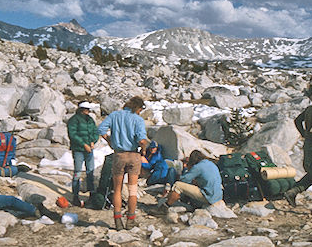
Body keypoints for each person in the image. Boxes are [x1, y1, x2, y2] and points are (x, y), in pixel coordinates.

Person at [98, 96, 149, 231]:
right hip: (133, 155)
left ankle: (117, 220)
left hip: (119, 155)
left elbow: (101, 129)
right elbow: (142, 140)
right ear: (138, 108)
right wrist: (143, 150)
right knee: (133, 190)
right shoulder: (137, 119)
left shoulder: (115, 115)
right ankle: (130, 220)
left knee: (118, 189)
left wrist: (110, 141)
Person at [155, 150, 223, 213]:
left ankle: (165, 207)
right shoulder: (211, 163)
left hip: (208, 197)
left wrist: (187, 169)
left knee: (178, 185)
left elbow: (184, 180)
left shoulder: (198, 167)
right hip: (218, 196)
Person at [67, 101, 100, 207]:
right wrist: (83, 144)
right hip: (78, 150)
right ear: (81, 109)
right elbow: (72, 134)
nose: (87, 112)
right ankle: (75, 196)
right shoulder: (73, 120)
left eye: (88, 110)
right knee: (77, 172)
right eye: (85, 110)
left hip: (89, 150)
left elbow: (95, 132)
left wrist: (92, 142)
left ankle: (92, 195)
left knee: (90, 172)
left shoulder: (90, 120)